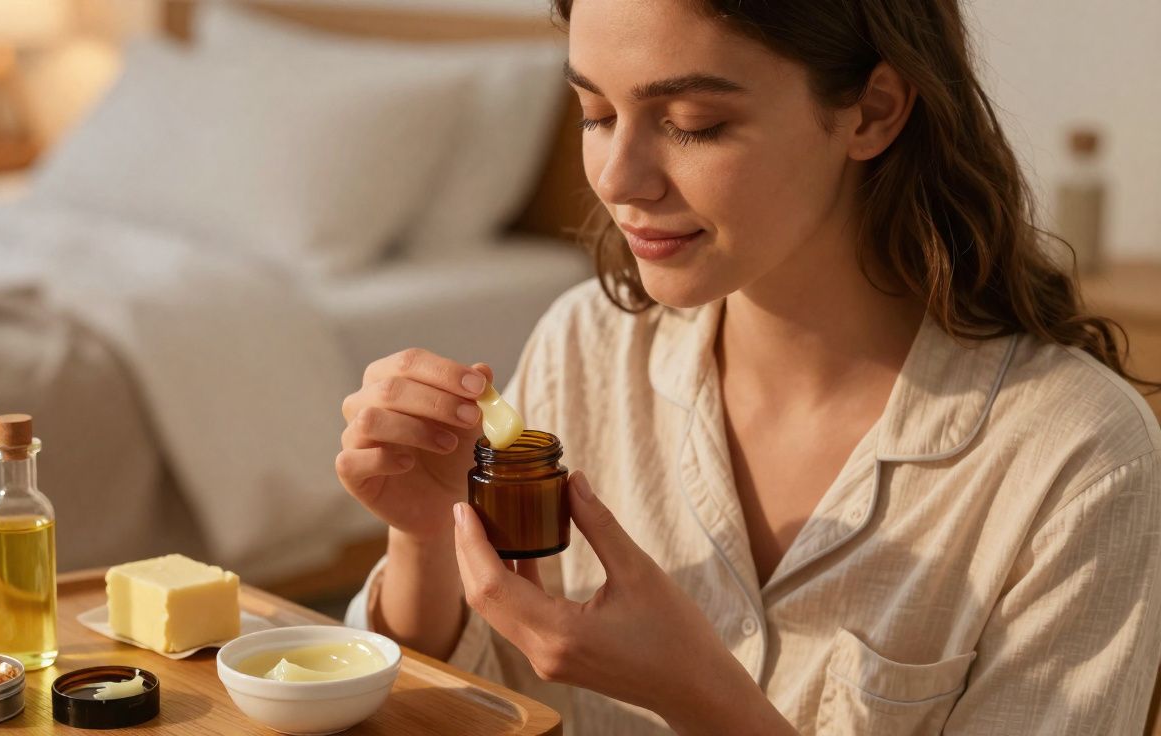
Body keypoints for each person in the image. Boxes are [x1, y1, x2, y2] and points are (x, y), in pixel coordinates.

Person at [336, 0, 1161, 732]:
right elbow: (477, 707)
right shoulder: (586, 346)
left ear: (872, 111)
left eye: (692, 121)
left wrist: (701, 697)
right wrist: (423, 541)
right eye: (593, 112)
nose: (618, 180)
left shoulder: (1081, 461)